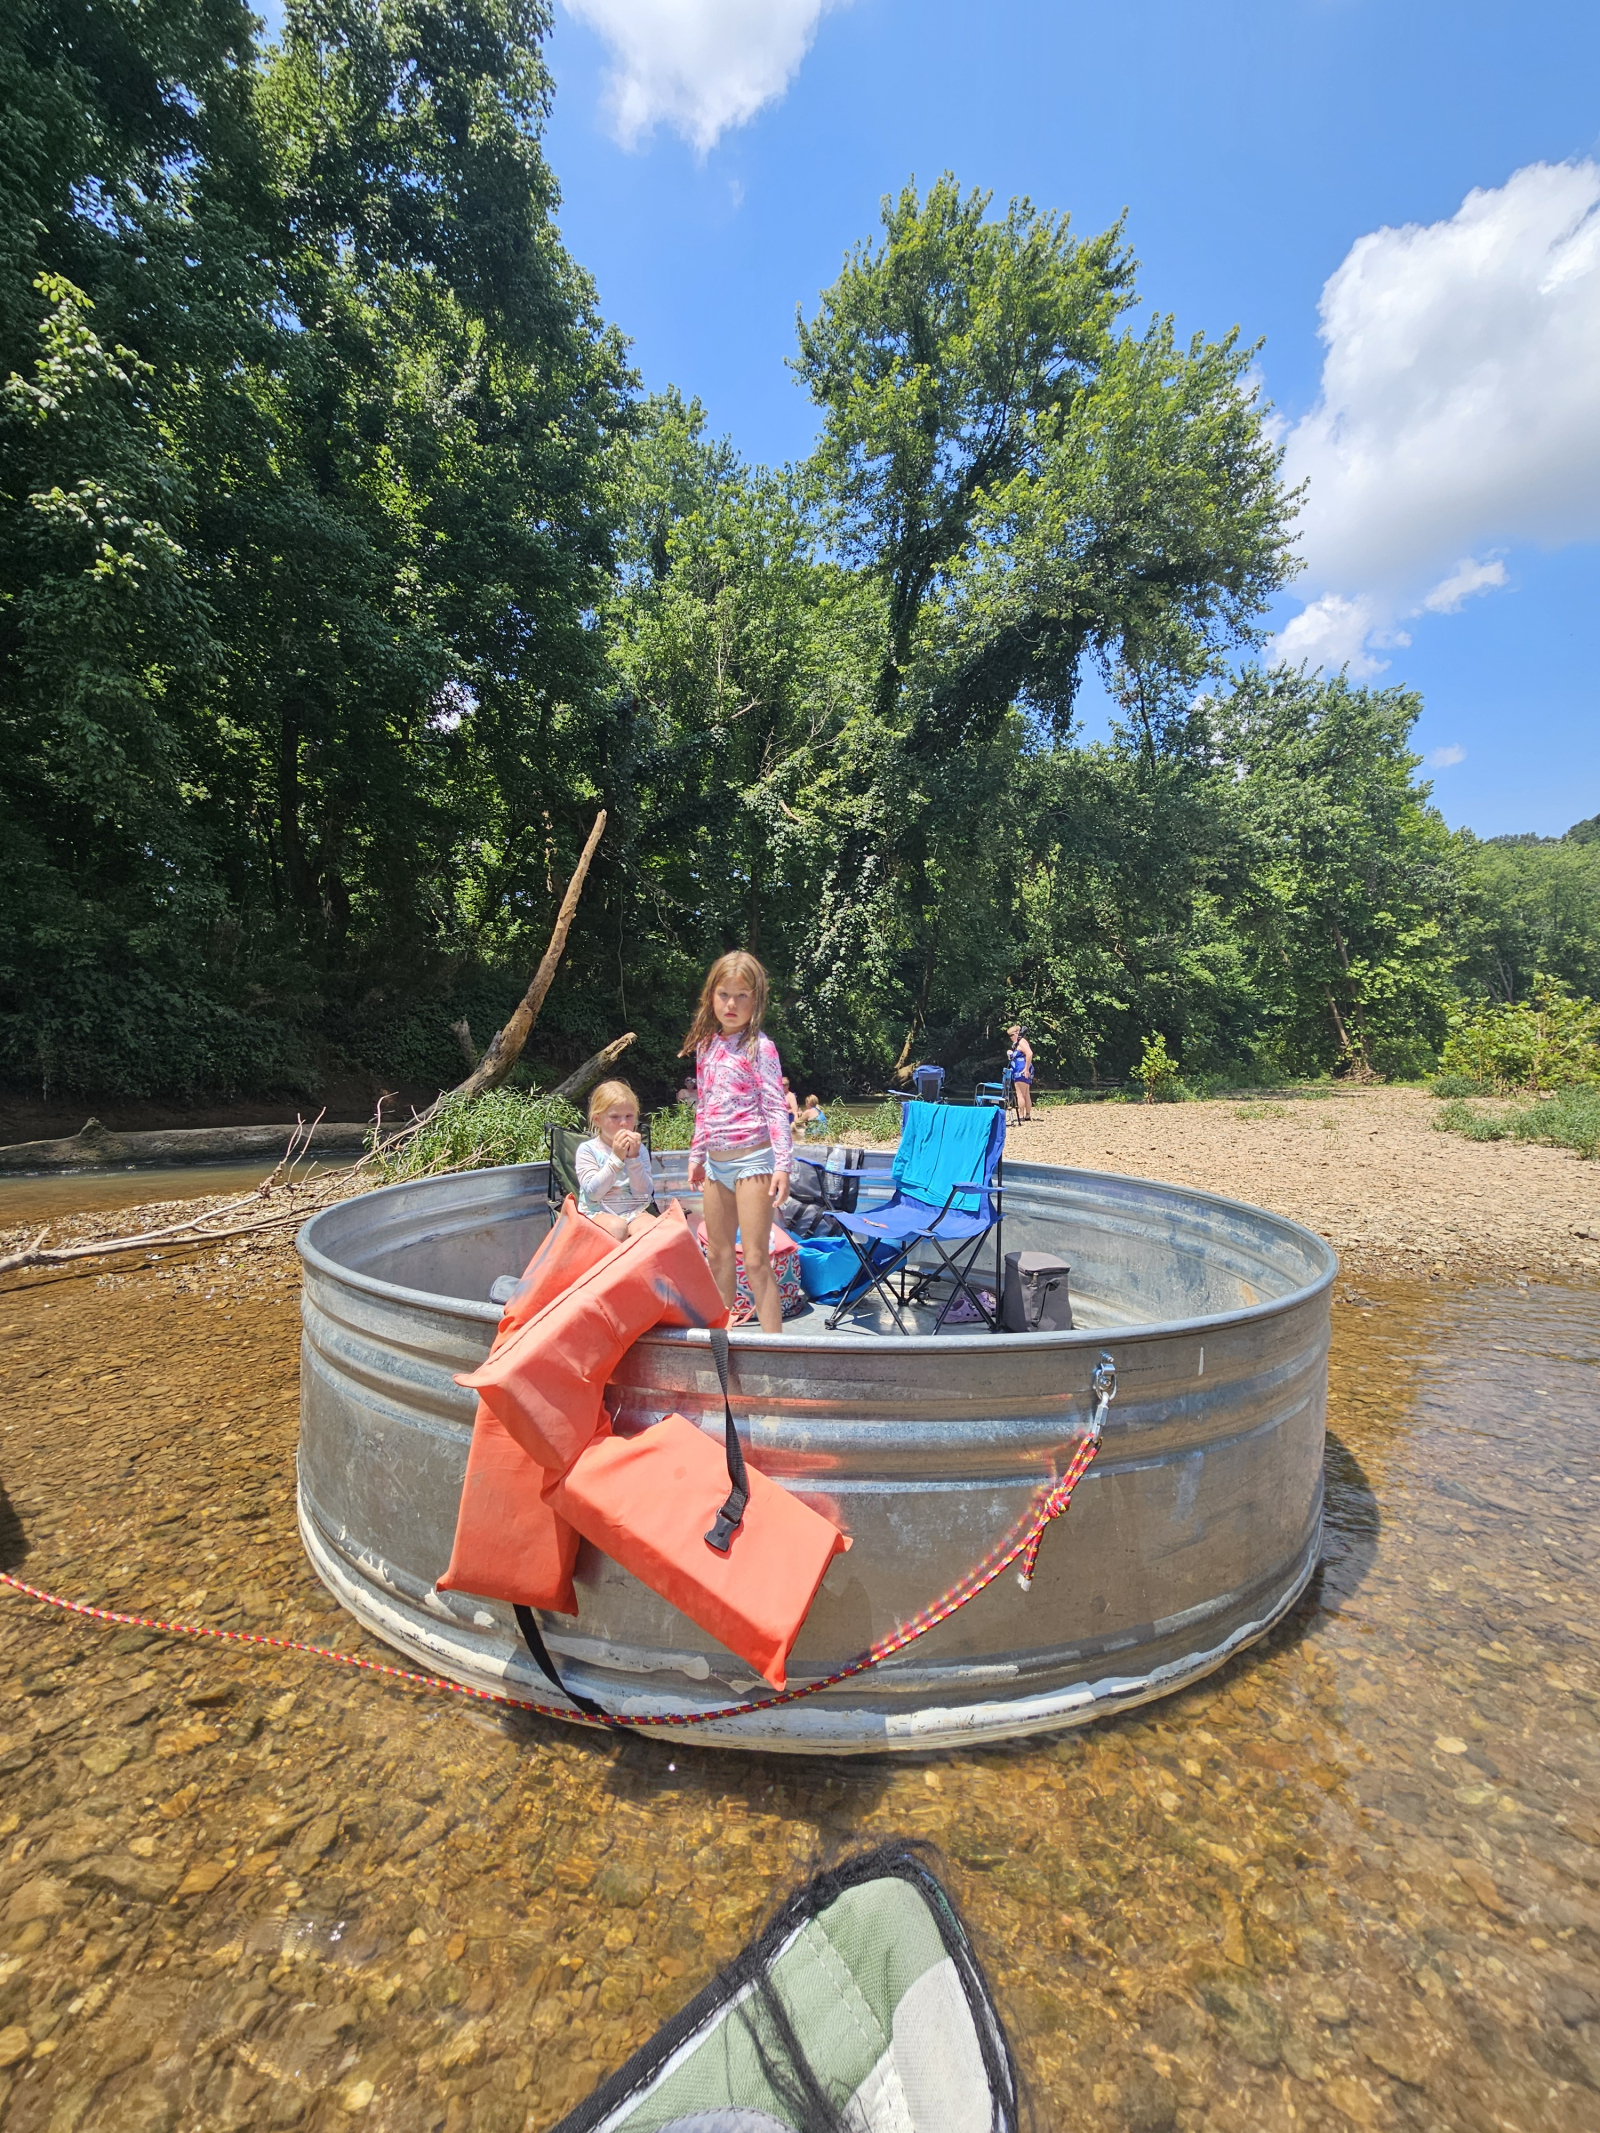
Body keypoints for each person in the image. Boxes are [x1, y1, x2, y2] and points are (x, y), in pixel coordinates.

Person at [683, 951, 792, 1332]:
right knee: (717, 1255)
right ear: (710, 997)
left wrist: (782, 1165)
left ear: (756, 1000)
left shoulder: (759, 1047)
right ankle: (721, 1343)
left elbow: (777, 1108)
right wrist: (697, 1154)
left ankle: (775, 1351)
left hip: (754, 1164)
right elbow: (705, 1106)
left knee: (757, 1261)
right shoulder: (706, 1046)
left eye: (742, 995)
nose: (732, 1004)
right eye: (724, 994)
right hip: (715, 1164)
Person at [575, 1080, 659, 1242]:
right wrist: (616, 1159)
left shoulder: (639, 1149)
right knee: (617, 1228)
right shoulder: (588, 1150)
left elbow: (644, 1195)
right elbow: (593, 1193)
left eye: (629, 1116)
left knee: (653, 1229)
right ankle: (611, 1267)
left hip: (632, 1211)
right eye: (615, 1117)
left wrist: (634, 1159)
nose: (623, 1123)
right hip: (596, 1212)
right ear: (597, 1119)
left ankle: (639, 1267)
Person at [1006, 1023, 1035, 1123]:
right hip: (1022, 1069)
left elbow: (1030, 1053)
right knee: (1026, 1093)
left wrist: (1026, 1069)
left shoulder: (1021, 1042)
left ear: (1017, 1033)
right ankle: (1027, 1115)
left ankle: (1022, 1115)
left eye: (1012, 1035)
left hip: (1021, 1070)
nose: (1011, 1038)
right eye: (1009, 1036)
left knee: (1020, 1094)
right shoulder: (1019, 1043)